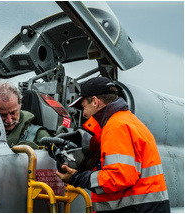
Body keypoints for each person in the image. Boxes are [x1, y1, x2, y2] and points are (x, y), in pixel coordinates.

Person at [55, 76, 170, 212]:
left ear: (95, 102)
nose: (84, 114)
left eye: (83, 107)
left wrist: (76, 178)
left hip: (135, 209)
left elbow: (118, 177)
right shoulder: (129, 121)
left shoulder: (116, 127)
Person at [0, 81, 50, 149]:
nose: (9, 120)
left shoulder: (40, 136)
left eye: (13, 113)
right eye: (3, 115)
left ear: (20, 104)